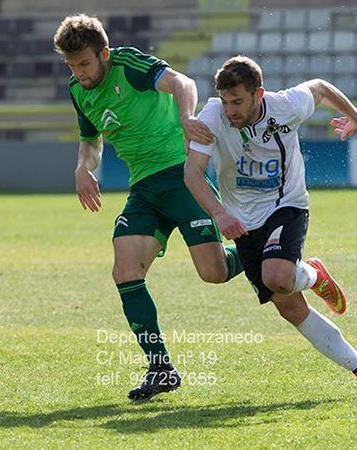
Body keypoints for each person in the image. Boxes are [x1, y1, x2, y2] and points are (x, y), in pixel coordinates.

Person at [54, 15, 244, 401]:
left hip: (181, 176)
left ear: (104, 54)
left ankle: (260, 248)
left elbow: (182, 82)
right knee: (124, 268)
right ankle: (161, 368)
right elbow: (91, 141)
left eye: (85, 64)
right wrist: (81, 169)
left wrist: (187, 116)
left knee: (214, 272)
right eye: (72, 66)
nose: (80, 73)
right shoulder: (79, 90)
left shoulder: (128, 66)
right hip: (143, 189)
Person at [184, 55, 357, 400]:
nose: (231, 110)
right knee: (291, 309)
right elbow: (192, 173)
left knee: (277, 277)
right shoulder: (212, 116)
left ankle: (310, 274)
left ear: (258, 94)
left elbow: (320, 88)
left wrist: (355, 115)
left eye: (239, 101)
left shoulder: (286, 105)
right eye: (227, 101)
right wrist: (219, 213)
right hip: (241, 219)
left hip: (286, 204)